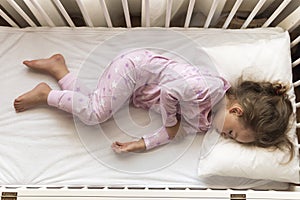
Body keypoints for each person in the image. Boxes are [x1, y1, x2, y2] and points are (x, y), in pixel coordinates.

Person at [13, 49, 294, 156]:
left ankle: (59, 70)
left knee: (95, 102)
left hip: (136, 88)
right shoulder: (206, 89)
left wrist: (143, 143)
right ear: (236, 110)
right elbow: (171, 95)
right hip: (135, 68)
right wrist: (171, 123)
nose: (225, 136)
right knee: (95, 114)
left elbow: (176, 133)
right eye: (232, 132)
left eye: (232, 139)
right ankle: (45, 94)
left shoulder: (206, 121)